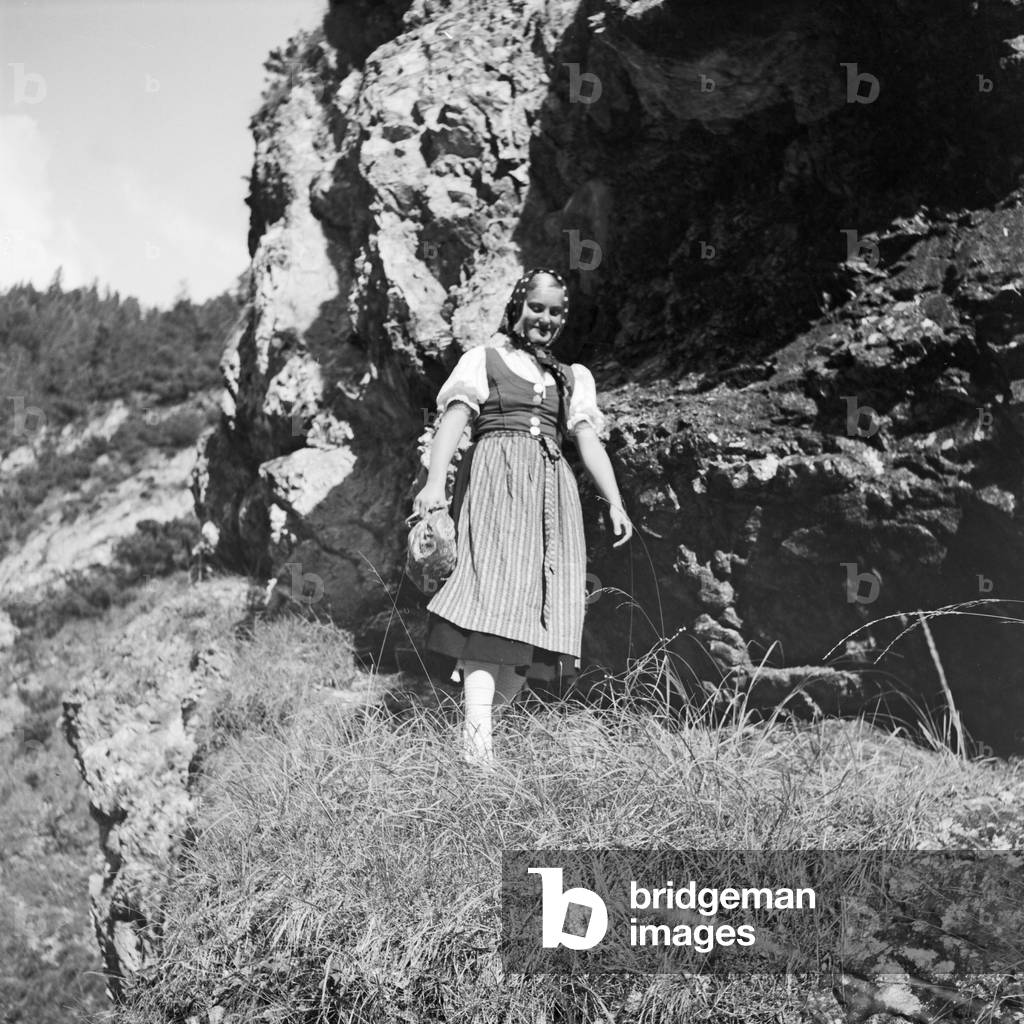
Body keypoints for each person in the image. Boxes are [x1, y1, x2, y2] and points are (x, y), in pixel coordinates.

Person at [412, 267, 633, 768]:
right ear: (517, 308)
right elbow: (454, 421)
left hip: (553, 504)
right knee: (490, 602)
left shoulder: (572, 376)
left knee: (530, 620)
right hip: (496, 486)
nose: (545, 319)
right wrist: (433, 483)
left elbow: (587, 440)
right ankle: (476, 749)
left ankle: (479, 741)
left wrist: (615, 500)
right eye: (537, 307)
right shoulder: (483, 359)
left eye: (556, 312)